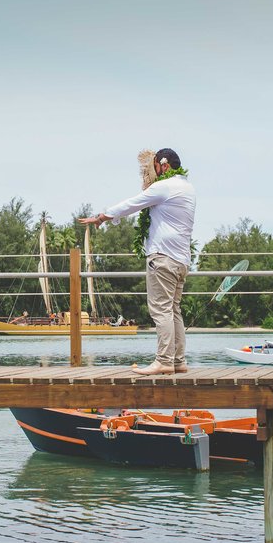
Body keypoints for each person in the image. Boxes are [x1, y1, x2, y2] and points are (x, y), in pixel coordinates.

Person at [79, 148, 196, 375]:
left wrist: (103, 216)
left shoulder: (165, 186)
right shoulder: (188, 188)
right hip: (182, 260)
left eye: (154, 166)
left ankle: (163, 360)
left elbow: (134, 203)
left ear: (163, 165)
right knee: (174, 310)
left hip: (163, 258)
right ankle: (178, 361)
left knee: (161, 311)